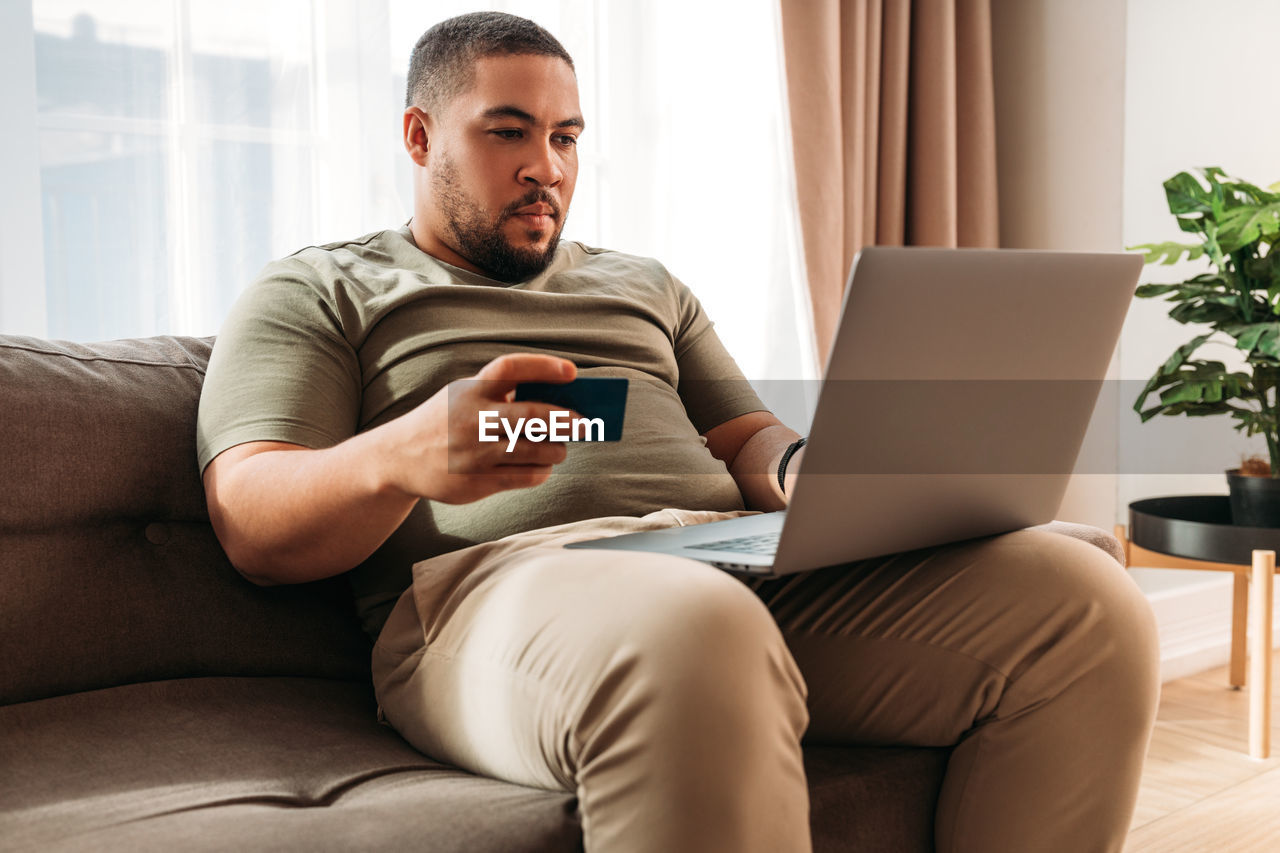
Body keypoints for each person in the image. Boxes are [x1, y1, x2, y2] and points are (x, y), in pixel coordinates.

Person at [197, 11, 1160, 853]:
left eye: (568, 136)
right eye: (509, 133)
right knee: (697, 627)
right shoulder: (320, 290)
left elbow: (746, 437)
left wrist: (820, 474)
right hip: (495, 592)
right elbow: (251, 516)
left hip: (729, 565)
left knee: (1085, 602)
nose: (548, 168)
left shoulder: (644, 285)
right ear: (419, 134)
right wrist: (402, 455)